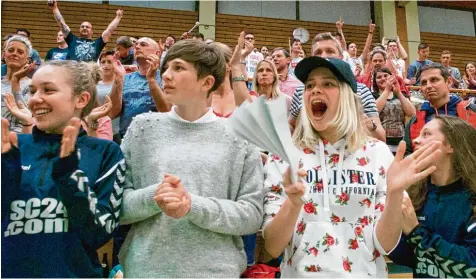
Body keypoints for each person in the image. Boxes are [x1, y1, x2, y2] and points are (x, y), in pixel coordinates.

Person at [262, 55, 442, 277]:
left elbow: (385, 245)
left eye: (328, 83)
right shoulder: (283, 155)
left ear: (349, 96)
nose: (315, 90)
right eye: (310, 85)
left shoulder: (377, 153)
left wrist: (395, 195)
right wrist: (293, 203)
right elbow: (272, 247)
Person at [118, 39, 264, 277]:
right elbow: (117, 207)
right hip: (145, 269)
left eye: (178, 68)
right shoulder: (142, 128)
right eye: (166, 68)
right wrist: (156, 196)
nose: (166, 75)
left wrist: (191, 206)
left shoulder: (241, 138)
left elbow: (252, 216)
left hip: (215, 272)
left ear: (206, 82)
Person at [1, 60, 124, 277]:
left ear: (81, 99)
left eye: (48, 90)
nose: (35, 99)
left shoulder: (105, 152)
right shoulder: (12, 148)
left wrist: (69, 176)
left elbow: (100, 233)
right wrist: (5, 174)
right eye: (32, 91)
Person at [388, 116, 476, 278]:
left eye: (426, 134)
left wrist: (417, 233)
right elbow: (403, 257)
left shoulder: (471, 199)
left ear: (450, 145)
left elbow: (472, 265)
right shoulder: (414, 193)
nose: (416, 140)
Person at [289, 32, 386, 142]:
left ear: (341, 57)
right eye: (318, 52)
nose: (324, 56)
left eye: (330, 51)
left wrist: (369, 124)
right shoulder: (301, 91)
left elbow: (381, 138)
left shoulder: (361, 90)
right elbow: (291, 125)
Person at [404, 63, 476, 154]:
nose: (429, 86)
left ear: (449, 82)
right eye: (424, 83)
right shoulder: (414, 121)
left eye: (434, 80)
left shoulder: (471, 110)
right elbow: (407, 153)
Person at [108, 37, 171, 139]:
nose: (137, 47)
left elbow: (167, 111)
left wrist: (151, 79)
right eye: (136, 44)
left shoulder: (166, 78)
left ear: (158, 54)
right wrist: (118, 78)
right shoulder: (125, 78)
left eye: (143, 44)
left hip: (156, 139)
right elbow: (112, 113)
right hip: (127, 138)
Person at [49, 0, 123, 62]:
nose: (84, 28)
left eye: (87, 27)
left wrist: (118, 17)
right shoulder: (72, 39)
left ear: (92, 31)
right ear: (79, 30)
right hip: (73, 74)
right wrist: (54, 8)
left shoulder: (97, 43)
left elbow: (109, 30)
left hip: (89, 75)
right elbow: (62, 24)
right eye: (82, 26)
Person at [372, 67, 416, 153]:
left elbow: (412, 113)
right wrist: (387, 90)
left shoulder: (400, 95)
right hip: (381, 142)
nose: (383, 79)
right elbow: (374, 111)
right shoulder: (372, 96)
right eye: (379, 77)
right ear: (375, 81)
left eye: (385, 76)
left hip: (401, 141)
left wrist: (399, 93)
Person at [1, 35, 35, 133]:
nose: (14, 54)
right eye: (11, 50)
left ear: (27, 59)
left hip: (16, 139)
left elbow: (26, 115)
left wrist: (15, 81)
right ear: (4, 54)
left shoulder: (32, 85)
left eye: (20, 52)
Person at [209, 42, 236, 118]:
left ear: (229, 65)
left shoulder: (240, 97)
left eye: (217, 61)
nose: (212, 66)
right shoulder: (201, 98)